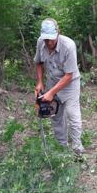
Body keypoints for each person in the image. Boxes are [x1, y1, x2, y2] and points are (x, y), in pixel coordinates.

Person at [34, 18, 85, 155]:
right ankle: (61, 148)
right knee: (56, 115)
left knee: (72, 115)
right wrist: (40, 82)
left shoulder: (68, 46)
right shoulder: (40, 43)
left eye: (51, 39)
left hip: (70, 84)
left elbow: (69, 75)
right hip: (52, 82)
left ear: (58, 33)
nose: (49, 43)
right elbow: (38, 63)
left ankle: (77, 149)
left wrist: (51, 93)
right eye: (46, 40)